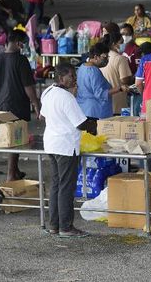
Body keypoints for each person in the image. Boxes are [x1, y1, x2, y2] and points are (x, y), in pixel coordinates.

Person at [41, 63, 97, 238]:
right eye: (71, 76)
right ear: (60, 78)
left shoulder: (48, 91)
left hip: (51, 143)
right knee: (65, 187)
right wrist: (94, 126)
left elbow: (43, 115)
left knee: (56, 185)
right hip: (65, 146)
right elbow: (80, 123)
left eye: (74, 75)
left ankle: (54, 225)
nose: (74, 79)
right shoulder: (66, 97)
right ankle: (66, 227)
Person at [0, 28, 41, 181]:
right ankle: (11, 174)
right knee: (15, 140)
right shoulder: (21, 60)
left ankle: (15, 170)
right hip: (17, 104)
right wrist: (37, 105)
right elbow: (28, 88)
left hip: (1, 104)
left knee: (11, 138)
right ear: (19, 44)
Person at [77, 43, 121, 120]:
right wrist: (119, 89)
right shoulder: (94, 71)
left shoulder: (82, 67)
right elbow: (100, 94)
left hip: (83, 109)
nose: (106, 60)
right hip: (95, 112)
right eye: (104, 57)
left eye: (108, 57)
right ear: (95, 57)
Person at [100, 34, 132, 115]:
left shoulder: (101, 57)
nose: (123, 44)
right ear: (114, 44)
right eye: (121, 42)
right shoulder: (120, 59)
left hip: (104, 103)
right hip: (118, 103)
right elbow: (124, 80)